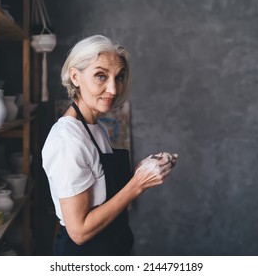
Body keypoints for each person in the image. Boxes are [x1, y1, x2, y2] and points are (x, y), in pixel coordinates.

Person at [42, 34, 178, 256]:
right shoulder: (67, 140)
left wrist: (142, 171)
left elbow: (101, 191)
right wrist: (138, 184)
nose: (114, 89)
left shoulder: (95, 127)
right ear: (75, 76)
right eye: (100, 76)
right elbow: (79, 232)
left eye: (119, 77)